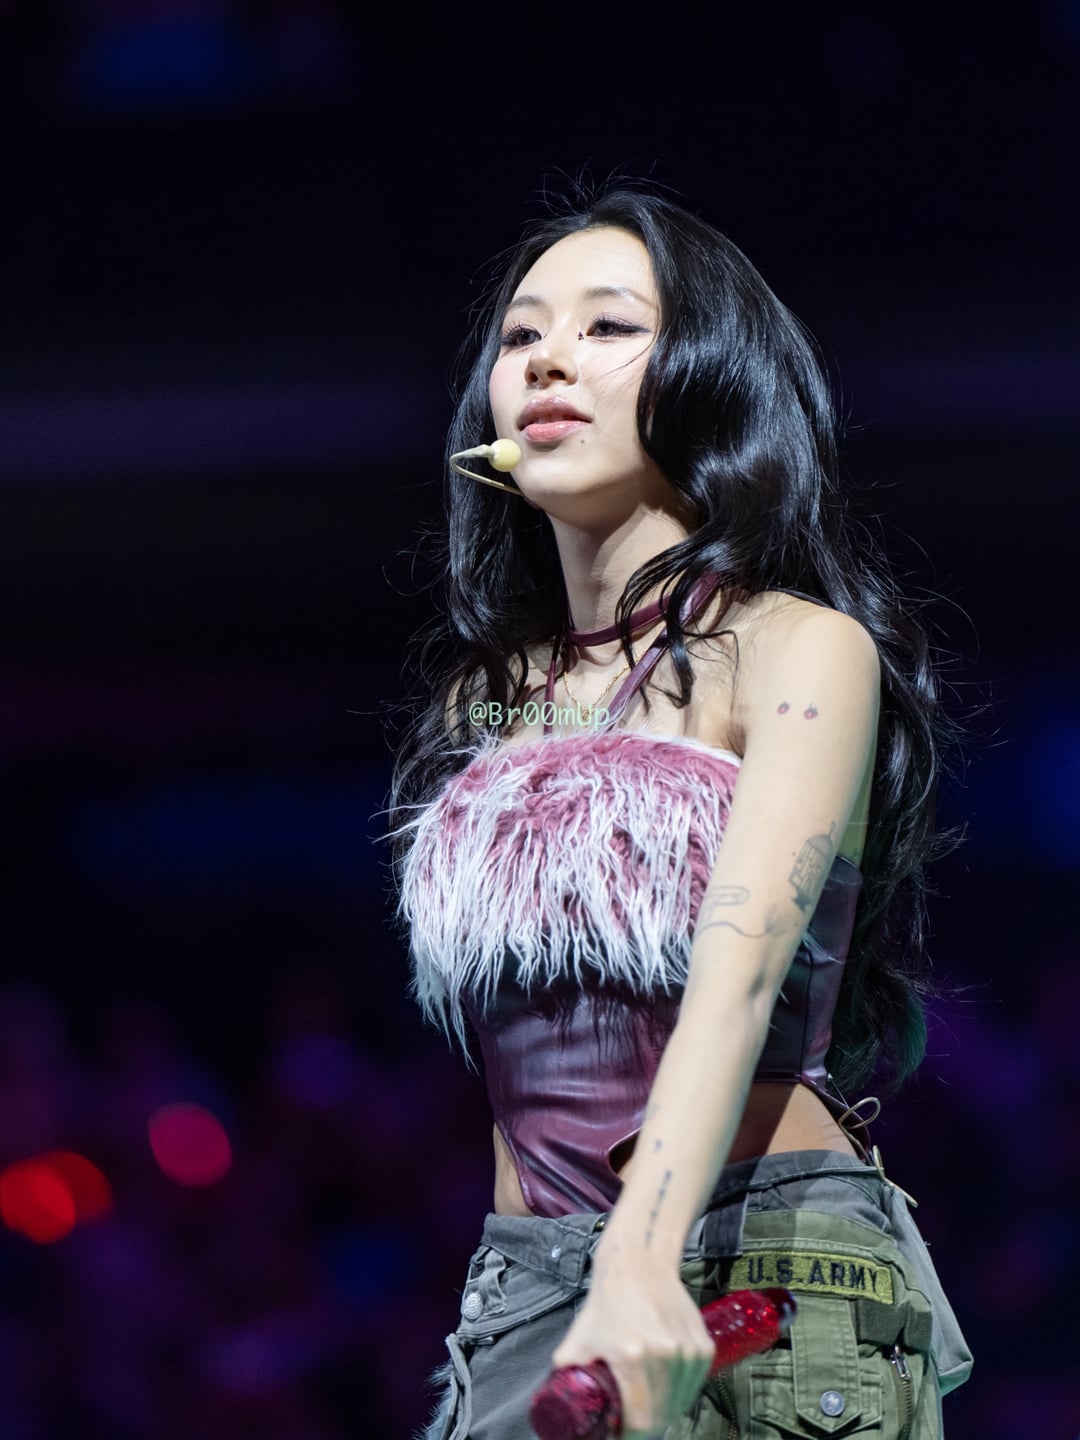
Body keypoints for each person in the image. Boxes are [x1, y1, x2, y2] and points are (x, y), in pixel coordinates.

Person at [391, 186, 972, 1440]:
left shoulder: (795, 647)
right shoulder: (485, 702)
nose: (547, 358)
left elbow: (740, 970)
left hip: (757, 1260)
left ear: (710, 378)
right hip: (527, 1289)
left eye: (607, 327)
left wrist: (640, 1260)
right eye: (520, 335)